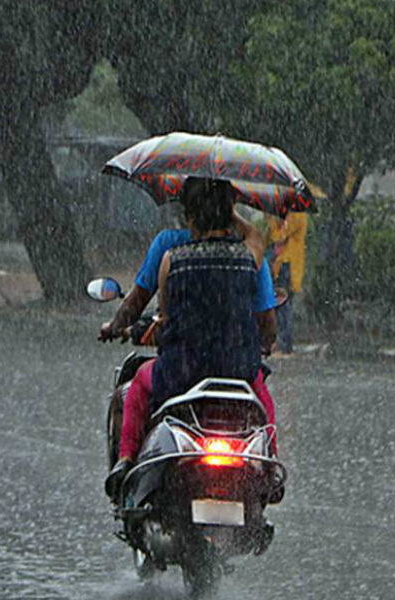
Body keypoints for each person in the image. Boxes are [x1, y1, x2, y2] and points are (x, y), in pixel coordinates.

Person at [103, 178, 279, 498]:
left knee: (138, 386)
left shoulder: (172, 258)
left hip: (181, 371)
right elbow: (256, 237)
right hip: (236, 370)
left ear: (189, 217)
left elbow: (166, 319)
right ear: (228, 215)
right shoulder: (248, 257)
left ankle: (126, 460)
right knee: (262, 399)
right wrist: (230, 209)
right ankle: (270, 465)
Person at [268, 211, 308, 356]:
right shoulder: (286, 214)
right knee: (281, 304)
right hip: (282, 264)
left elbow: (278, 236)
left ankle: (283, 344)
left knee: (283, 304)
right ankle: (282, 343)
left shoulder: (296, 214)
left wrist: (274, 220)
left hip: (288, 264)